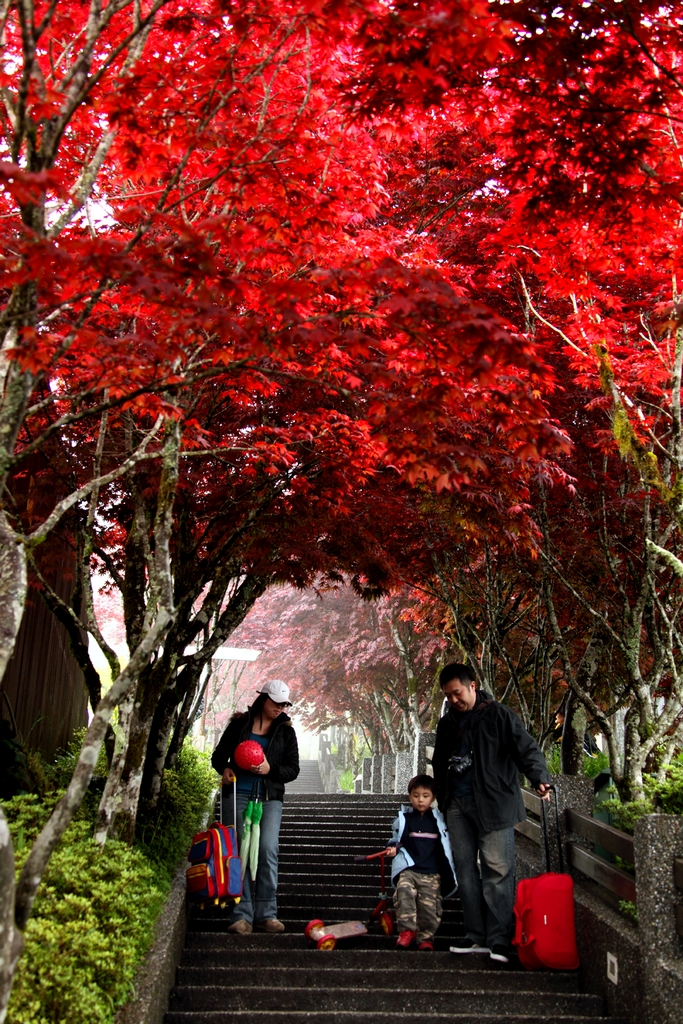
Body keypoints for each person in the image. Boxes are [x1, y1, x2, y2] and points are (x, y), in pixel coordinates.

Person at [432, 663, 551, 964]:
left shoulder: (500, 715)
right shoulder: (447, 723)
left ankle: (499, 940)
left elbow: (526, 749)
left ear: (472, 685)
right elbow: (438, 762)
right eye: (448, 696)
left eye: (457, 693)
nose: (454, 700)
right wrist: (440, 796)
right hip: (457, 805)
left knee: (498, 870)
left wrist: (539, 777)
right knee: (465, 871)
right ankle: (475, 936)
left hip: (494, 804)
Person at [211, 679, 299, 934]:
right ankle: (240, 914)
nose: (280, 708)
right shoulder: (239, 724)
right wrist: (225, 769)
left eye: (284, 704)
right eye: (276, 703)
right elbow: (218, 757)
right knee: (237, 850)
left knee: (267, 849)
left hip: (269, 798)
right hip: (237, 793)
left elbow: (293, 769)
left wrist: (272, 769)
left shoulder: (286, 732)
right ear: (264, 699)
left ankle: (266, 912)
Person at [385, 773, 457, 951]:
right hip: (409, 868)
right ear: (410, 796)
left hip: (432, 872)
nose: (420, 800)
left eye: (425, 796)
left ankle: (426, 937)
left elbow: (447, 844)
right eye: (416, 796)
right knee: (404, 893)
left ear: (433, 798)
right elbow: (397, 837)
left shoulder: (439, 821)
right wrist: (393, 847)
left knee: (429, 906)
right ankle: (407, 931)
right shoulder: (405, 819)